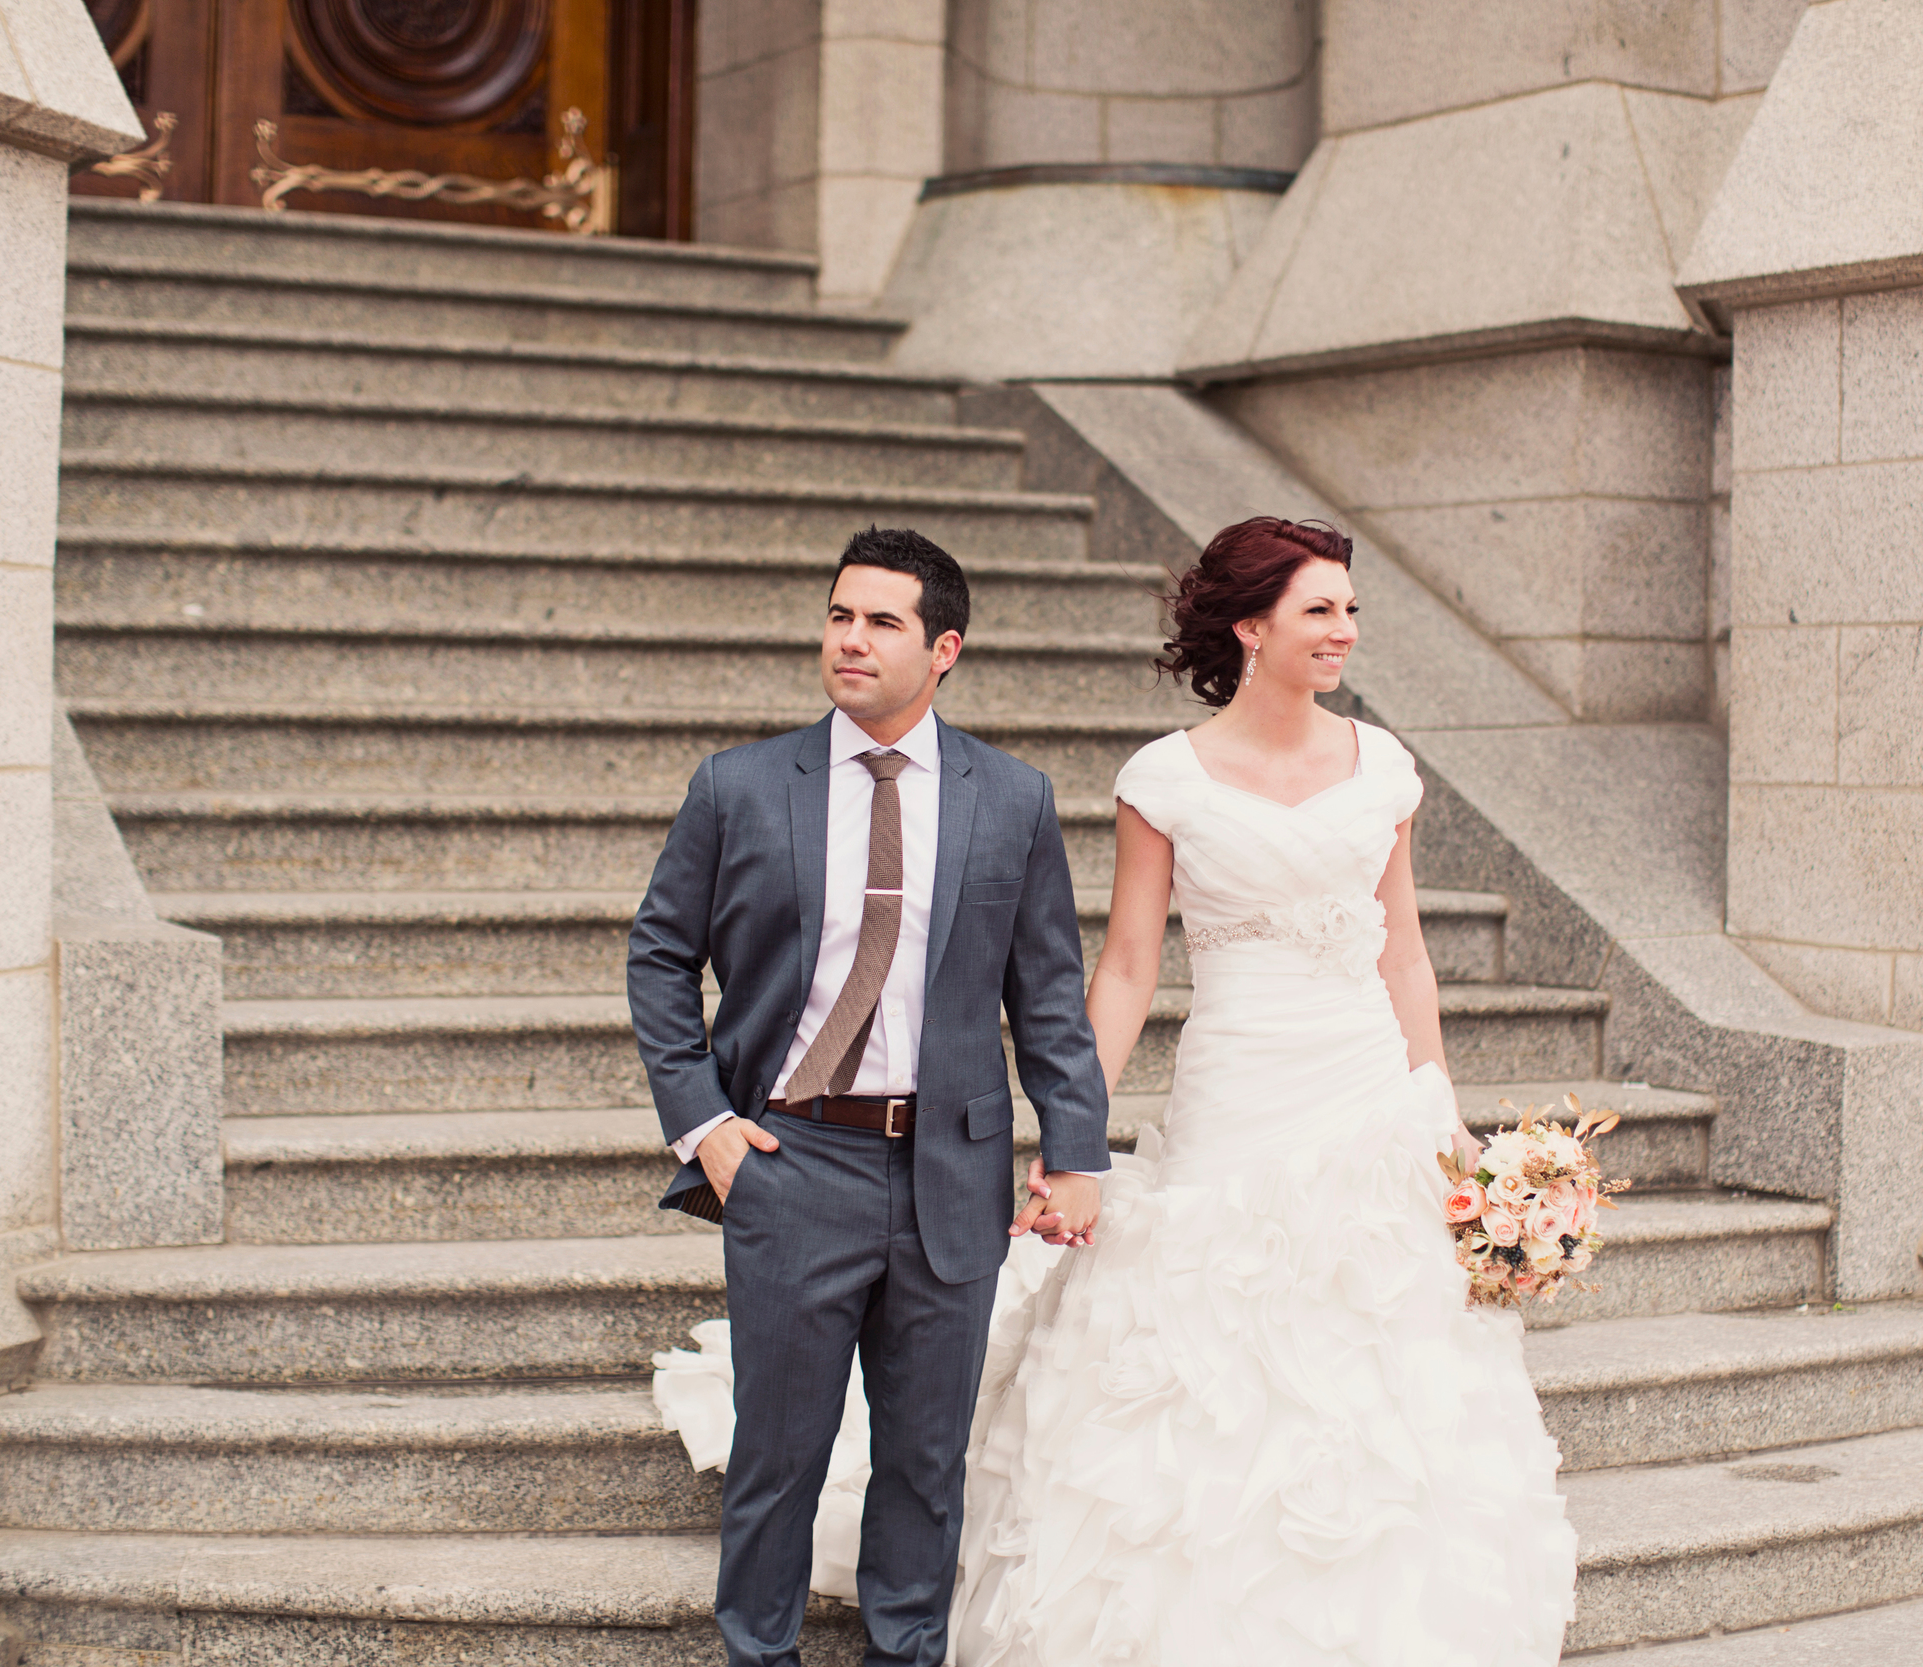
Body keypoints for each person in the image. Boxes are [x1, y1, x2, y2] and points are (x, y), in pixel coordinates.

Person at [944, 516, 1578, 1665]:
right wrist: (1071, 1134)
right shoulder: (1163, 779)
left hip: (1366, 1091)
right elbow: (1130, 964)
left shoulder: (1382, 766)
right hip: (1237, 1084)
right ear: (1250, 626)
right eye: (1317, 610)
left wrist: (1444, 1111)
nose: (1341, 631)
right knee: (1211, 1342)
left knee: (1383, 1351)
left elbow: (1405, 952)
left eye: (1348, 610)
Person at [627, 525, 1113, 1667]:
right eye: (840, 615)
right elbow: (658, 954)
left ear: (944, 647)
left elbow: (1045, 992)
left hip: (949, 1167)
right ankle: (760, 1651)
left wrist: (1075, 1146)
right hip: (791, 1159)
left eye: (882, 620)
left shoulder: (1013, 799)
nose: (851, 638)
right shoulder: (740, 785)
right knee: (777, 1453)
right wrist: (707, 1126)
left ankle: (906, 1654)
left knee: (925, 1458)